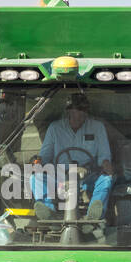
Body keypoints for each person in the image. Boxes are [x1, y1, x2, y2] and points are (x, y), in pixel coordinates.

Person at [29, 92, 114, 221]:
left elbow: (104, 156)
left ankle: (94, 215)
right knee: (36, 178)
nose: (77, 117)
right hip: (60, 178)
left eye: (81, 113)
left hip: (88, 178)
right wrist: (38, 163)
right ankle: (48, 213)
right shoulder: (55, 128)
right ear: (68, 112)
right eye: (74, 112)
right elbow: (45, 156)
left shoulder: (97, 128)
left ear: (87, 113)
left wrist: (106, 165)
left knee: (106, 180)